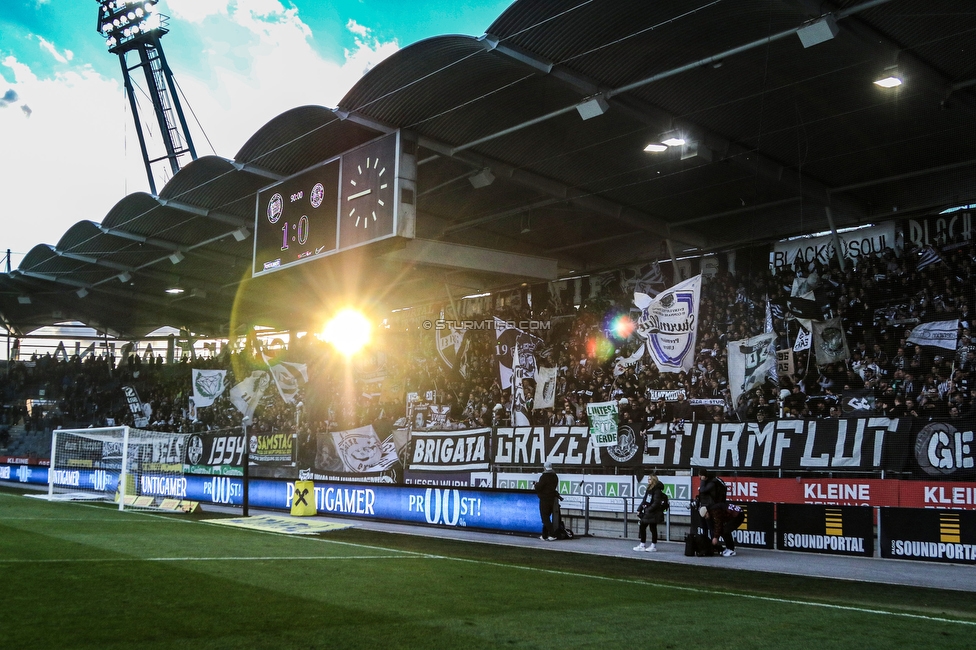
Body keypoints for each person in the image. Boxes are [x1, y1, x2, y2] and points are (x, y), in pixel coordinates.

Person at [634, 475, 665, 552]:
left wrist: (648, 509)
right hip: (649, 512)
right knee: (645, 527)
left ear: (654, 480)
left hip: (653, 513)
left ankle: (650, 545)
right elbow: (644, 500)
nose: (648, 480)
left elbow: (656, 503)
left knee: (651, 528)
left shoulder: (657, 490)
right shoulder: (649, 489)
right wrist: (639, 509)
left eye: (650, 479)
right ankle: (644, 544)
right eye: (648, 479)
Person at [534, 462, 559, 541]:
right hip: (552, 498)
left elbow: (539, 487)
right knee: (547, 517)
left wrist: (536, 484)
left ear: (544, 468)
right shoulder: (555, 476)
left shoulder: (544, 477)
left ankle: (552, 534)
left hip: (544, 499)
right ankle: (544, 535)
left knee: (545, 518)